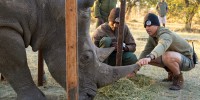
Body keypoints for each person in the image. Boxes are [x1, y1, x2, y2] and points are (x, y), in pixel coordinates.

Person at [137, 13, 195, 90]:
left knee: (166, 56)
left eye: (150, 25)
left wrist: (150, 56)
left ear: (157, 25)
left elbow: (162, 45)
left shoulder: (165, 34)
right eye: (146, 26)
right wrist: (136, 67)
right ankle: (172, 73)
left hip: (189, 60)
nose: (147, 28)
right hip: (176, 58)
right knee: (145, 58)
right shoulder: (152, 36)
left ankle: (178, 79)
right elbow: (145, 52)